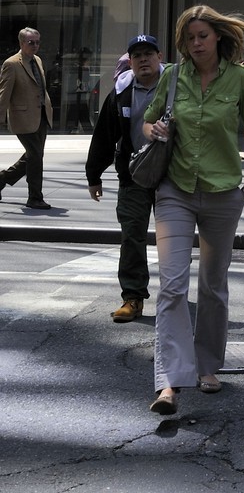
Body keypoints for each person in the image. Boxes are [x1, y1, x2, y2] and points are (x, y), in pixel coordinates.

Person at [143, 5, 244, 418]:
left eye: (202, 36)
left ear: (218, 38)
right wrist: (155, 129)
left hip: (222, 194)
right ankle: (169, 381)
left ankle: (209, 365)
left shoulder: (240, 79)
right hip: (175, 190)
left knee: (213, 285)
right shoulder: (171, 76)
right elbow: (147, 121)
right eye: (190, 37)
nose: (196, 43)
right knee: (172, 286)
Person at [85, 34, 164, 321]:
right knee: (132, 236)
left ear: (159, 56)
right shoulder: (120, 91)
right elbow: (106, 135)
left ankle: (173, 297)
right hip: (134, 175)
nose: (143, 59)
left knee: (172, 240)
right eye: (137, 55)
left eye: (148, 53)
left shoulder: (178, 87)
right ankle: (132, 297)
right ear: (130, 62)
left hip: (173, 176)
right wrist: (94, 175)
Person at [0, 27, 54, 210]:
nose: (35, 46)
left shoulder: (37, 60)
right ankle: (35, 197)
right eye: (31, 42)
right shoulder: (12, 64)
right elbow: (3, 94)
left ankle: (2, 179)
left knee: (33, 156)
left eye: (38, 42)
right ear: (21, 43)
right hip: (23, 118)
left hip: (41, 116)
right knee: (36, 156)